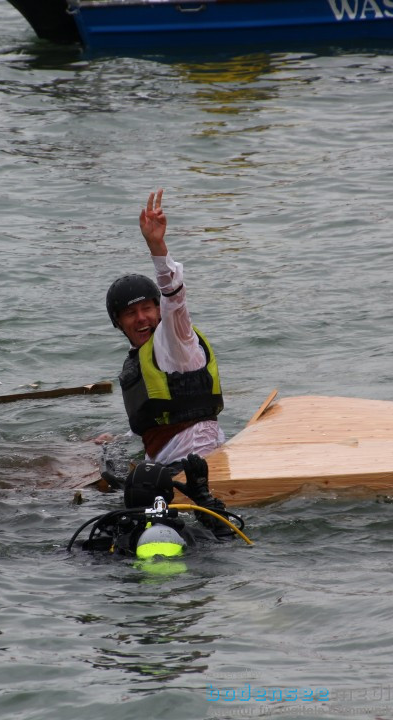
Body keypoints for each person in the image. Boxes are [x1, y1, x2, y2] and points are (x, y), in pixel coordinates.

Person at [104, 189, 232, 537]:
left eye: (147, 308)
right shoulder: (140, 359)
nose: (142, 318)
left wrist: (157, 248)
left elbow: (175, 296)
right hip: (166, 463)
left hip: (199, 462)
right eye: (130, 314)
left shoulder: (175, 339)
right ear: (118, 323)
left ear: (158, 311)